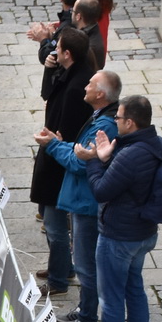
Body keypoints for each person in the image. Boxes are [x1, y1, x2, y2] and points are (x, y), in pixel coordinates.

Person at [71, 94, 162, 322]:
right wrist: (108, 156)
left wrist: (93, 161)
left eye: (119, 117)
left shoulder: (130, 156)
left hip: (119, 237)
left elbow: (101, 190)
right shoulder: (154, 143)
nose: (115, 121)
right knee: (134, 289)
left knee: (111, 299)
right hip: (143, 233)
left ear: (131, 123)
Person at [44, 69, 119, 322]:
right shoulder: (102, 116)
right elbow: (79, 150)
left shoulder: (106, 125)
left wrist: (53, 146)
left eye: (90, 83)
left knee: (86, 265)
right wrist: (64, 145)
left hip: (87, 204)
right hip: (82, 201)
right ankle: (84, 309)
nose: (85, 85)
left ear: (100, 94)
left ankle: (89, 320)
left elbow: (80, 162)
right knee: (84, 261)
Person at [30, 28, 93, 302]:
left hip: (58, 163)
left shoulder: (78, 86)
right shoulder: (67, 72)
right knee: (51, 217)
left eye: (58, 47)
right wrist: (48, 68)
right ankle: (64, 268)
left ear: (68, 54)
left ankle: (58, 280)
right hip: (52, 154)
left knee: (55, 226)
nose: (54, 50)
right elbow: (47, 93)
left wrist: (52, 143)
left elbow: (67, 134)